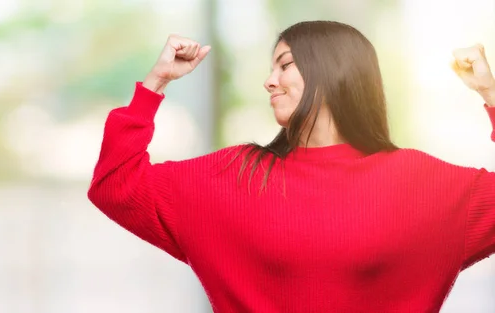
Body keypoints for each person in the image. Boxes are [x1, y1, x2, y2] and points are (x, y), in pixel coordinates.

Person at [88, 20, 495, 313]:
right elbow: (116, 184)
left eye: (284, 64)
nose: (269, 80)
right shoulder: (233, 176)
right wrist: (156, 82)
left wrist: (490, 92)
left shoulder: (423, 184)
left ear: (334, 72)